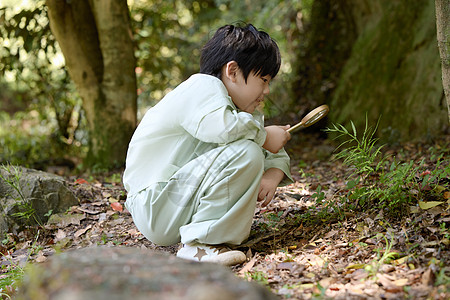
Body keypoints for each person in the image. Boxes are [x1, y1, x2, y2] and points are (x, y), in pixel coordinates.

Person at [123, 23, 293, 266]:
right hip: (155, 201)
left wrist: (274, 173)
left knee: (249, 149)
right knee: (247, 152)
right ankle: (201, 246)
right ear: (232, 71)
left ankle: (204, 239)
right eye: (263, 80)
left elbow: (267, 147)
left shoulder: (244, 115)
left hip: (175, 207)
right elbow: (223, 129)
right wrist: (265, 136)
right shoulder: (202, 87)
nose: (266, 90)